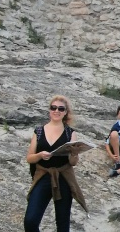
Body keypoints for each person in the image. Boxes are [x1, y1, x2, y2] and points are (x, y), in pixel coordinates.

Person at [24, 95, 87, 232]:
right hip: (43, 175)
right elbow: (29, 158)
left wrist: (75, 153)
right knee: (30, 220)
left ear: (65, 112)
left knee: (62, 223)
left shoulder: (70, 132)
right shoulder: (39, 131)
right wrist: (40, 155)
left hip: (63, 176)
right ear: (49, 110)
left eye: (60, 108)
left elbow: (73, 162)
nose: (56, 111)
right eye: (53, 108)